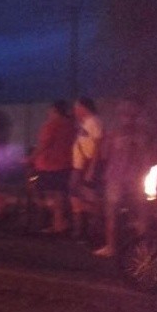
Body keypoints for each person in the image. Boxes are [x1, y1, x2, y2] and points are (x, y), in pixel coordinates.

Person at [92, 98, 153, 257]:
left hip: (116, 177)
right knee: (141, 213)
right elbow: (148, 158)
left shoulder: (115, 134)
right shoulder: (144, 135)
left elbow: (104, 154)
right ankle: (143, 249)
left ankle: (111, 247)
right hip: (137, 177)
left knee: (112, 212)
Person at [28, 100, 77, 234]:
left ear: (55, 110)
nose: (48, 113)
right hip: (66, 164)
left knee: (43, 193)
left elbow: (44, 144)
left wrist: (30, 158)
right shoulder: (71, 125)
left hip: (49, 165)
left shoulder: (51, 126)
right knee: (60, 195)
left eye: (50, 110)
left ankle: (58, 223)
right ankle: (59, 222)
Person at [69, 96, 104, 242]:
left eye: (77, 107)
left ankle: (93, 229)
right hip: (80, 165)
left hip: (87, 165)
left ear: (84, 107)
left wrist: (92, 168)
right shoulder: (85, 123)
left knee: (89, 197)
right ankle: (81, 230)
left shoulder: (94, 121)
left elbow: (98, 145)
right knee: (75, 195)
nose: (75, 110)